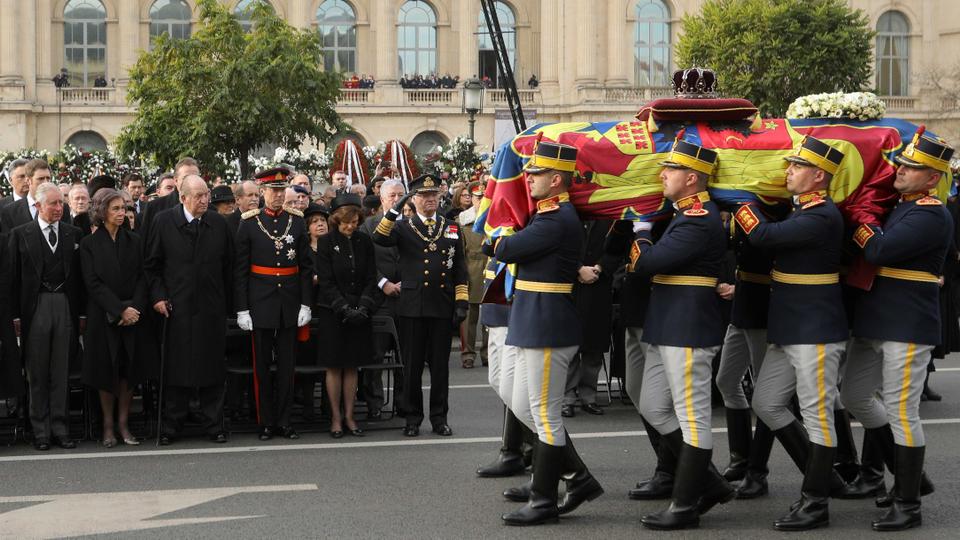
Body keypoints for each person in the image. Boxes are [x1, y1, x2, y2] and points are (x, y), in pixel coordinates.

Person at [734, 135, 849, 531]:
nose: (788, 172)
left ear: (819, 175)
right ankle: (825, 478)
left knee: (818, 415)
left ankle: (816, 502)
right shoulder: (803, 211)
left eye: (796, 167)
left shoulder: (820, 216)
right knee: (766, 403)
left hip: (815, 330)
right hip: (792, 328)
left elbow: (764, 238)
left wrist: (742, 203)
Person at [841, 127, 954, 531]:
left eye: (912, 167)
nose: (902, 170)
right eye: (901, 164)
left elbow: (880, 250)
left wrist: (860, 219)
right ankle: (912, 477)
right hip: (876, 317)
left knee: (903, 411)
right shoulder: (902, 205)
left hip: (906, 322)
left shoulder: (930, 212)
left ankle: (908, 502)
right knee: (853, 395)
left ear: (933, 178)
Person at [623, 133, 733, 530]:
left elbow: (649, 264)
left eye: (671, 169)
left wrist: (641, 232)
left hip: (688, 326)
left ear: (693, 178)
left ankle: (686, 504)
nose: (663, 174)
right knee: (653, 405)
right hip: (667, 323)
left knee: (692, 415)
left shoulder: (699, 219)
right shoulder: (686, 215)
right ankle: (711, 482)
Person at [490, 141, 603, 526]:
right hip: (534, 319)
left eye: (536, 174)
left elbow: (504, 247)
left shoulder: (556, 219)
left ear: (557, 179)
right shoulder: (547, 215)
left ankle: (544, 499)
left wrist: (501, 227)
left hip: (548, 324)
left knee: (544, 414)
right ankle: (572, 476)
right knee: (523, 406)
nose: (528, 178)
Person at [372, 174, 469, 437]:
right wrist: (394, 209)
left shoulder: (450, 227)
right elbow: (379, 237)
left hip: (441, 303)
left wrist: (461, 301)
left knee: (440, 368)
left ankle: (440, 418)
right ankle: (412, 418)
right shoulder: (404, 227)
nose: (430, 200)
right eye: (424, 196)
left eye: (434, 195)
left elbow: (460, 267)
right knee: (412, 366)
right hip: (412, 306)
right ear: (414, 199)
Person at [144, 174, 233, 445]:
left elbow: (229, 265)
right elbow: (152, 265)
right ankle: (172, 425)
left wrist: (226, 303)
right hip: (177, 308)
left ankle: (214, 424)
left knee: (212, 368)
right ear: (183, 198)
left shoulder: (218, 222)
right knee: (176, 370)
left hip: (210, 308)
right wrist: (158, 296)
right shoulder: (163, 221)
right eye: (199, 196)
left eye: (206, 194)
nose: (206, 200)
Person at [234, 167, 313, 441]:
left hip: (290, 301)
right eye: (273, 191)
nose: (278, 195)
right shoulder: (248, 223)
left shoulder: (298, 221)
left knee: (287, 367)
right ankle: (265, 421)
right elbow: (241, 270)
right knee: (262, 368)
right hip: (260, 302)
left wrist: (306, 304)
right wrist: (242, 308)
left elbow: (305, 267)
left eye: (282, 190)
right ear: (263, 192)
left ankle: (285, 420)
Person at [6, 182, 84, 450]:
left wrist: (80, 314)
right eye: (53, 203)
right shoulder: (20, 234)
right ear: (38, 206)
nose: (58, 208)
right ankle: (40, 430)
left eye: (60, 203)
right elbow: (12, 279)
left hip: (64, 305)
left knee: (60, 370)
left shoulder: (73, 233)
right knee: (37, 371)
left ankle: (61, 428)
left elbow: (80, 280)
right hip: (35, 306)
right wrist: (15, 317)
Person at [79, 189, 153, 447]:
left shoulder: (134, 240)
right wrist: (118, 310)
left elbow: (144, 278)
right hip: (104, 317)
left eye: (124, 208)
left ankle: (124, 424)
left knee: (127, 371)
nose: (122, 213)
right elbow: (92, 282)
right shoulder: (89, 244)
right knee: (105, 371)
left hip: (133, 317)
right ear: (102, 212)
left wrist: (133, 310)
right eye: (116, 209)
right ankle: (108, 426)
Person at [714, 207, 775, 498]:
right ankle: (740, 457)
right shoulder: (742, 208)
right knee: (726, 380)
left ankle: (757, 471)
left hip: (763, 304)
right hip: (744, 302)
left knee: (766, 397)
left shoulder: (772, 207)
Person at [315, 194, 380, 437]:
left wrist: (363, 306)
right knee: (334, 366)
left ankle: (350, 416)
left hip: (359, 311)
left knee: (352, 365)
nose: (350, 226)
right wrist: (343, 307)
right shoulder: (326, 242)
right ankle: (335, 417)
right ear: (336, 221)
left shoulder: (365, 241)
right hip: (333, 310)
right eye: (345, 222)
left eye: (353, 221)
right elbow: (326, 281)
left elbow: (371, 277)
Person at [358, 178, 405, 419]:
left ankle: (403, 402)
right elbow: (364, 261)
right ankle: (374, 402)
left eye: (400, 195)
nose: (397, 200)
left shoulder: (412, 225)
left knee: (406, 354)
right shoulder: (368, 226)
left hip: (408, 298)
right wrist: (384, 283)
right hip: (379, 299)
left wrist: (405, 284)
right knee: (375, 354)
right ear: (382, 199)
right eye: (392, 196)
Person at [562, 219, 617, 418]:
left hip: (598, 287)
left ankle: (589, 396)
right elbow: (560, 247)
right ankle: (567, 397)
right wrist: (578, 269)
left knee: (593, 347)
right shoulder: (570, 214)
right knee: (569, 348)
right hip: (571, 286)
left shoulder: (610, 216)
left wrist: (599, 268)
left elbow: (617, 249)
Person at [457, 181, 487, 369]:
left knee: (490, 317)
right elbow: (460, 253)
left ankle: (487, 353)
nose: (481, 200)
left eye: (484, 196)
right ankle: (468, 354)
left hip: (490, 267)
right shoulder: (464, 220)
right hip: (472, 267)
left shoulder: (495, 216)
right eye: (477, 197)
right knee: (469, 316)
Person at [139, 158, 201, 244]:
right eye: (186, 178)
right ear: (176, 180)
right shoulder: (154, 208)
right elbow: (146, 244)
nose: (191, 181)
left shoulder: (210, 210)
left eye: (195, 177)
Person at [1, 159, 53, 232]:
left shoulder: (56, 205)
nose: (26, 180)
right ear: (11, 180)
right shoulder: (4, 208)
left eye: (28, 176)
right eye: (22, 176)